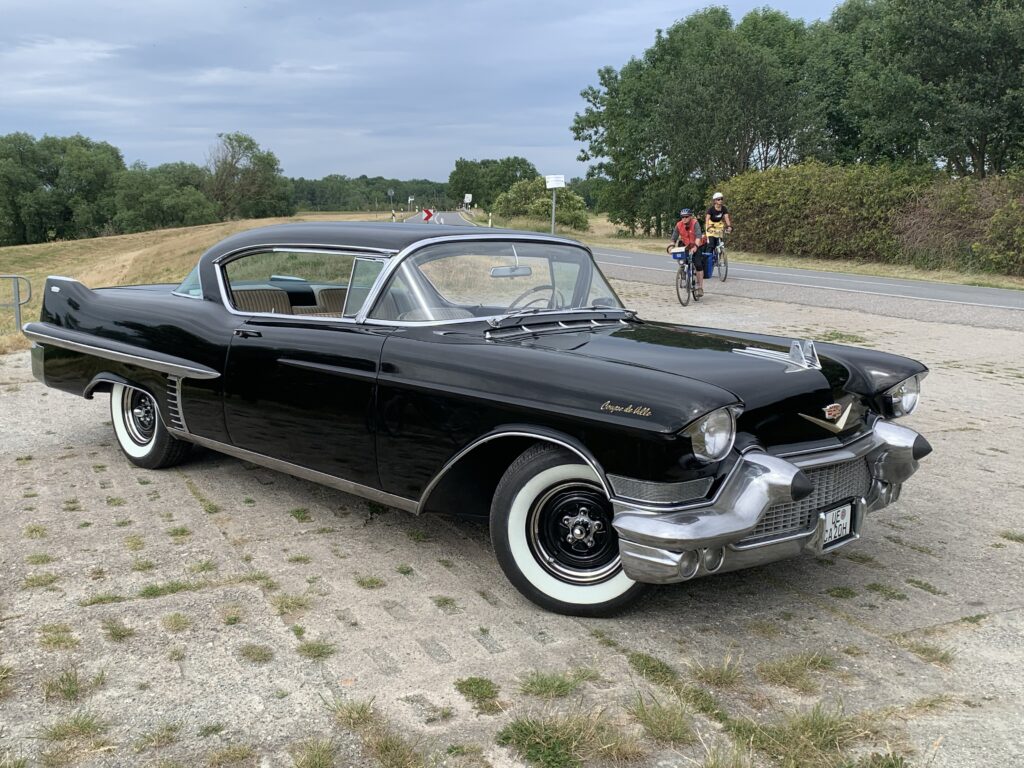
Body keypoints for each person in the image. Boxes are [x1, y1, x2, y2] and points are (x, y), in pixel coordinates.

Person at [669, 208, 707, 297]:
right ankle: (683, 272)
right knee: (682, 260)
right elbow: (674, 238)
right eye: (682, 217)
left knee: (698, 264)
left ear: (690, 217)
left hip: (696, 244)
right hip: (685, 245)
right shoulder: (679, 225)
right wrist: (671, 247)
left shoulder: (695, 223)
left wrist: (696, 247)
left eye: (686, 217)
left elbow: (698, 236)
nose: (684, 219)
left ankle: (700, 287)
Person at [704, 192, 732, 269]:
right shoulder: (711, 209)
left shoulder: (724, 208)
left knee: (719, 243)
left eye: (721, 199)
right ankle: (707, 261)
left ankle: (718, 257)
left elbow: (726, 218)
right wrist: (708, 227)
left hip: (719, 226)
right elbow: (707, 219)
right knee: (711, 245)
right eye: (719, 199)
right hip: (711, 225)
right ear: (715, 201)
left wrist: (729, 226)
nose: (720, 201)